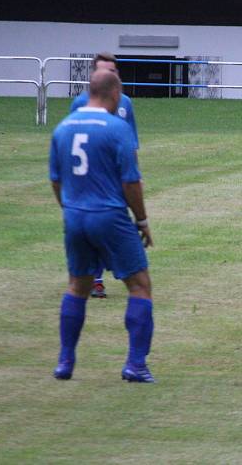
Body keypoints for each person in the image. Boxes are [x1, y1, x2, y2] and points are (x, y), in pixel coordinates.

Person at [49, 70, 156, 383]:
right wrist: (142, 219)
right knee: (139, 285)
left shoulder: (63, 127)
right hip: (109, 216)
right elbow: (131, 181)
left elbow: (56, 179)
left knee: (77, 286)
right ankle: (136, 364)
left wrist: (69, 208)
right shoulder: (116, 127)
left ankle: (65, 361)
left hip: (74, 215)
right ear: (115, 94)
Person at [70, 52, 139, 299]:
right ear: (93, 75)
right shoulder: (79, 104)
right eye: (103, 71)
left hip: (117, 177)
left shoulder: (125, 104)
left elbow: (131, 144)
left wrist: (135, 174)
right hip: (88, 177)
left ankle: (97, 275)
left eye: (113, 71)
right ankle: (94, 278)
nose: (109, 75)